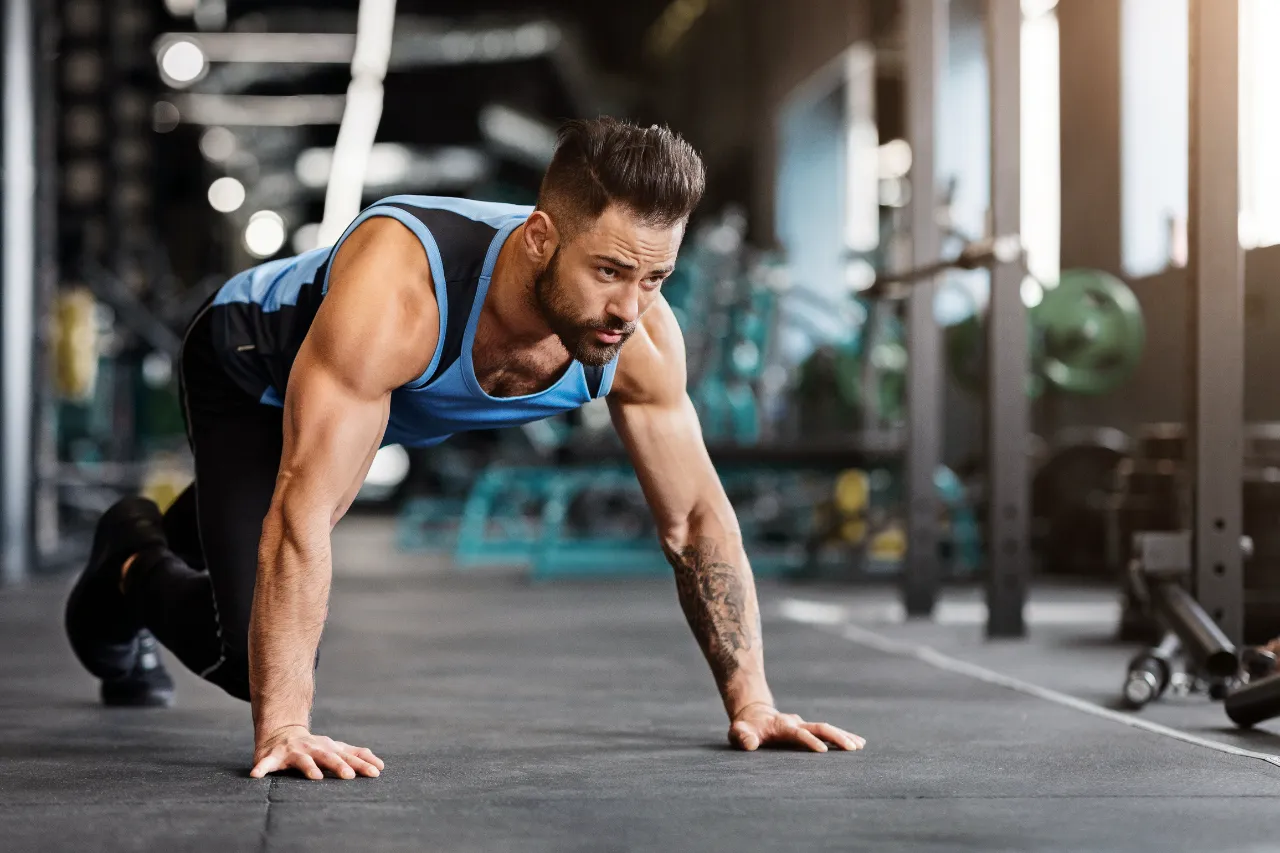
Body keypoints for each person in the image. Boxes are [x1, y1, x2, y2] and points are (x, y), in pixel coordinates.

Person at [65, 117, 865, 780]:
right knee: (247, 655)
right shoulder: (404, 287)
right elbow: (305, 511)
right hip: (252, 369)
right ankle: (131, 551)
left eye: (655, 277)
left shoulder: (641, 337)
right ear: (540, 237)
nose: (630, 306)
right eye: (611, 270)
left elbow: (694, 518)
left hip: (370, 407)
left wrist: (752, 700)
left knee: (244, 537)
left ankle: (156, 541)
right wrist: (286, 725)